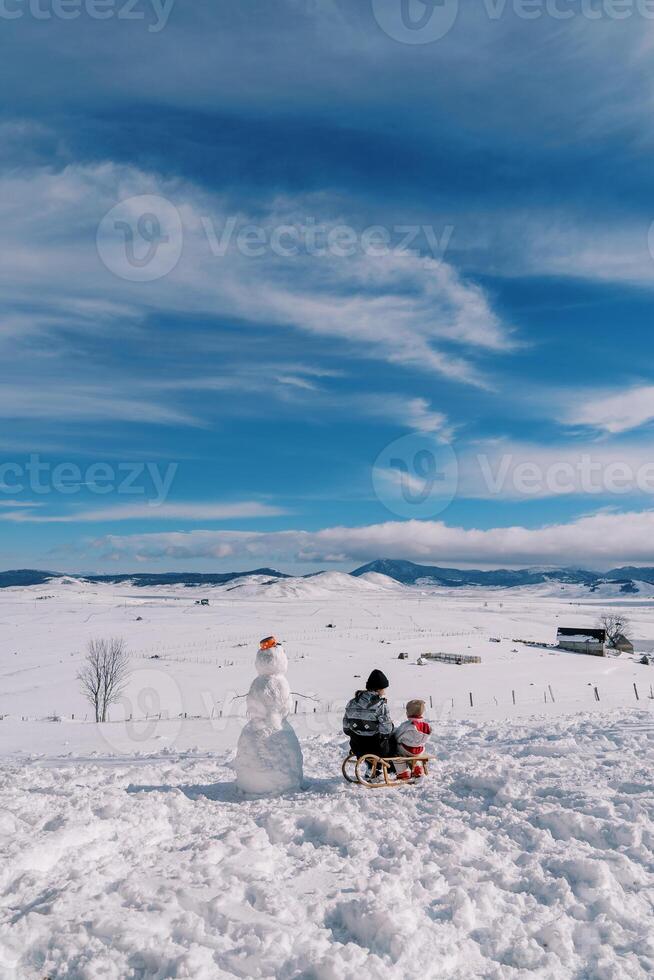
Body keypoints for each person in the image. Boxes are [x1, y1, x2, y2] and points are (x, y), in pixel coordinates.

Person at [342, 669, 394, 760]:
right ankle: (387, 767)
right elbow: (386, 730)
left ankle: (370, 767)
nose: (384, 692)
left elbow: (346, 728)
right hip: (376, 749)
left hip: (357, 747)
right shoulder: (381, 706)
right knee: (393, 738)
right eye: (383, 689)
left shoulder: (352, 702)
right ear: (378, 689)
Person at [393, 699, 431, 781]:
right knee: (414, 756)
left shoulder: (407, 725)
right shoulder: (426, 725)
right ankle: (418, 769)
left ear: (408, 713)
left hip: (406, 749)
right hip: (419, 750)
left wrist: (397, 740)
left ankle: (403, 772)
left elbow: (397, 735)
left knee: (396, 753)